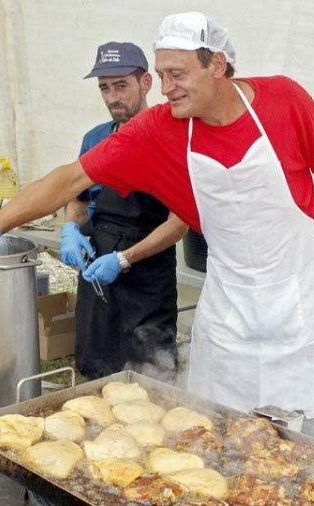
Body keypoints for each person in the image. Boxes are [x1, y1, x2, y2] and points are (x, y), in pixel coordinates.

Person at [0, 12, 314, 448]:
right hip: (231, 311)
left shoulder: (284, 100)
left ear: (217, 64)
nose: (167, 88)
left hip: (302, 308)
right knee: (224, 440)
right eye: (161, 73)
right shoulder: (158, 129)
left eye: (178, 74)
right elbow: (71, 178)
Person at [62, 42, 188, 379]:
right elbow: (78, 196)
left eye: (122, 86)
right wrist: (71, 230)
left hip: (147, 277)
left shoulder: (173, 137)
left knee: (151, 373)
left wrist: (124, 259)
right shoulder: (95, 138)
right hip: (97, 273)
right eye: (105, 87)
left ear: (146, 83)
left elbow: (180, 223)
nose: (112, 97)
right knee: (95, 369)